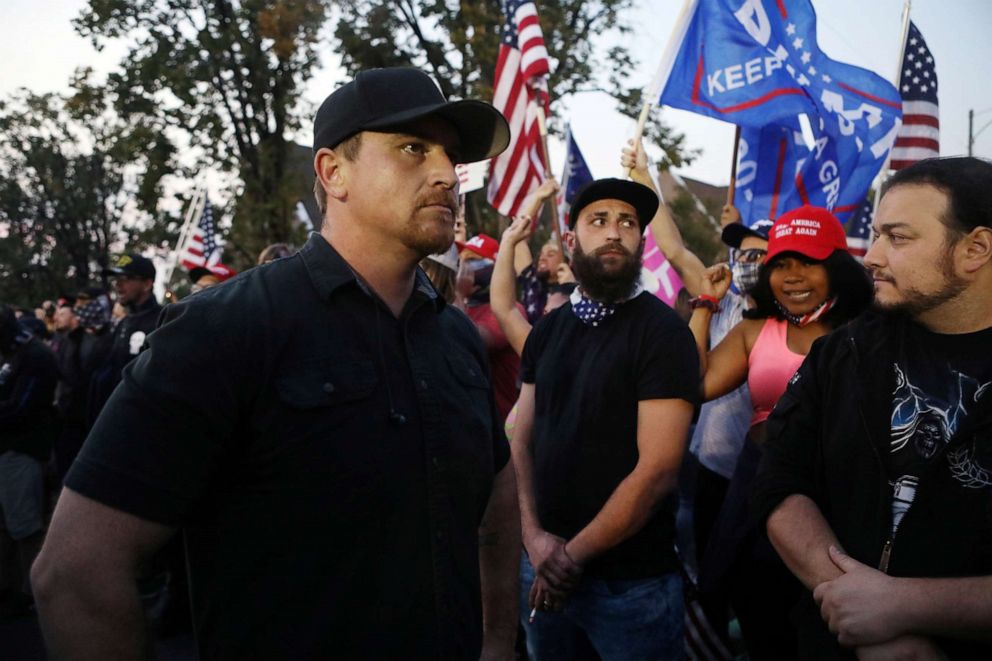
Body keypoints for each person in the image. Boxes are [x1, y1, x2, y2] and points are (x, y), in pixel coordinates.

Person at [31, 66, 520, 660]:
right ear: (333, 173)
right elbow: (75, 571)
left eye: (450, 156)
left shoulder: (457, 337)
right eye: (413, 149)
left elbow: (495, 497)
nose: (446, 173)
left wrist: (496, 641)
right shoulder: (224, 328)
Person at [752, 157, 992, 659]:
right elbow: (780, 482)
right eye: (877, 234)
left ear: (976, 249)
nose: (872, 256)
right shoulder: (844, 352)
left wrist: (909, 608)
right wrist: (855, 603)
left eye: (897, 238)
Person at [515, 178, 699, 659]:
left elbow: (657, 471)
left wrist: (569, 558)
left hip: (632, 587)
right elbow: (519, 439)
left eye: (627, 222)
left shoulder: (663, 334)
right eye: (599, 221)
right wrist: (533, 538)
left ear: (641, 240)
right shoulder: (547, 332)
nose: (614, 232)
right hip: (540, 568)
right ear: (572, 240)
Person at [689, 204, 873, 658]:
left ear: (835, 267)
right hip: (756, 486)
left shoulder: (867, 332)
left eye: (808, 262)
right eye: (781, 264)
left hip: (832, 494)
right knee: (752, 601)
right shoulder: (756, 330)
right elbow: (693, 386)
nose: (792, 276)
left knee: (826, 617)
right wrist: (705, 306)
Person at [0, 306, 59, 619]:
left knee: (24, 525)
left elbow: (21, 408)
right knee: (7, 524)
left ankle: (32, 592)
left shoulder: (34, 356)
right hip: (8, 449)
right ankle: (9, 585)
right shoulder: (14, 353)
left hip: (22, 449)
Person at [455, 234, 522, 422]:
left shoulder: (510, 311)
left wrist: (458, 292)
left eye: (471, 261)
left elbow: (467, 341)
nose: (462, 267)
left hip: (499, 426)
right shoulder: (464, 307)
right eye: (460, 261)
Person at [87, 253, 161, 419]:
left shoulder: (162, 322)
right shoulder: (124, 322)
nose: (118, 284)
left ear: (147, 284)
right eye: (116, 278)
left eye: (126, 278)